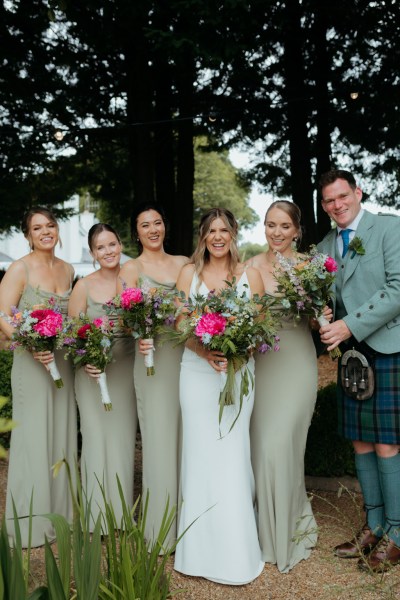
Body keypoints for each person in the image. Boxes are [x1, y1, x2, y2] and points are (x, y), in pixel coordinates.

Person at [174, 207, 265, 585]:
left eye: (223, 230)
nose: (217, 236)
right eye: (211, 230)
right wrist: (204, 350)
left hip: (238, 372)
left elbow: (259, 325)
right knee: (199, 454)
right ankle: (195, 554)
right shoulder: (187, 274)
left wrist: (235, 352)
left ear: (233, 234)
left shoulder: (251, 275)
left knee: (231, 452)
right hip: (195, 374)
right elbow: (180, 321)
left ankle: (236, 553)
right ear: (202, 236)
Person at [317, 168, 400, 572]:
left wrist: (349, 324)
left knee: (387, 443)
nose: (337, 205)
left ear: (358, 192)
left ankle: (398, 534)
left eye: (342, 196)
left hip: (387, 348)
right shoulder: (323, 246)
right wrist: (323, 317)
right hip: (352, 356)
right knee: (361, 443)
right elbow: (321, 297)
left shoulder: (388, 229)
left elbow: (398, 289)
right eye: (329, 200)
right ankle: (374, 525)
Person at [246, 200, 318, 573]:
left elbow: (322, 320)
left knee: (283, 443)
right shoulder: (251, 266)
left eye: (284, 226)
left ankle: (286, 529)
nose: (277, 233)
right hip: (262, 364)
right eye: (271, 225)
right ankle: (260, 532)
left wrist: (317, 306)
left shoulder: (310, 267)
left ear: (297, 230)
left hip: (297, 363)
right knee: (261, 448)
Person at [0, 207, 77, 547]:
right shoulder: (20, 268)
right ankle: (29, 525)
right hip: (31, 362)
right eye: (37, 228)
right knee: (32, 439)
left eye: (50, 225)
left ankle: (59, 518)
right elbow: (3, 314)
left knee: (60, 434)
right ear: (28, 235)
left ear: (57, 230)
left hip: (63, 363)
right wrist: (27, 344)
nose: (46, 231)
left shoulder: (68, 268)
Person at [117, 203, 188, 548]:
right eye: (145, 225)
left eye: (157, 222)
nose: (153, 229)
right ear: (137, 232)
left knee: (188, 438)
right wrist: (138, 334)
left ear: (165, 226)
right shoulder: (131, 268)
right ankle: (161, 530)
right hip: (152, 360)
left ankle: (190, 524)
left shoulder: (184, 264)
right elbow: (124, 313)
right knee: (159, 440)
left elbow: (196, 306)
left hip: (188, 359)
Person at [68, 223, 137, 531]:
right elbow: (72, 334)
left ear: (120, 244)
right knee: (96, 438)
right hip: (91, 372)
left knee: (121, 439)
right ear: (93, 253)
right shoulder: (83, 285)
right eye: (100, 247)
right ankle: (96, 517)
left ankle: (121, 516)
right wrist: (86, 361)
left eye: (112, 244)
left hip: (124, 366)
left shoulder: (133, 278)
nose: (108, 251)